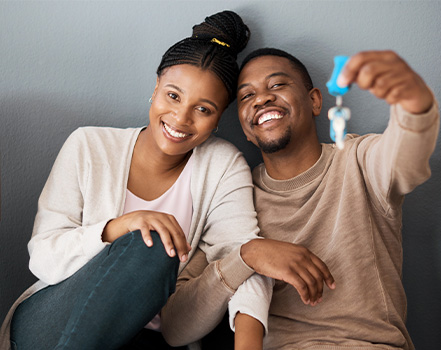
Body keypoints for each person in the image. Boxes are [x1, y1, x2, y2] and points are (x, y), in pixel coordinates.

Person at [0, 10, 264, 350]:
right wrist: (120, 227)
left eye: (203, 109)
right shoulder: (89, 145)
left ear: (218, 119)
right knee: (151, 239)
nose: (180, 118)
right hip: (51, 320)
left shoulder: (223, 166)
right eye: (173, 95)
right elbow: (43, 258)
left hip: (146, 335)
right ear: (155, 88)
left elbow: (243, 256)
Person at [227, 48, 439, 349]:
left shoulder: (359, 160)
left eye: (277, 85)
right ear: (244, 128)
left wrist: (413, 102)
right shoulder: (235, 196)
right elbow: (182, 313)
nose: (262, 99)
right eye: (247, 96)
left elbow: (407, 158)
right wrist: (248, 255)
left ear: (314, 100)